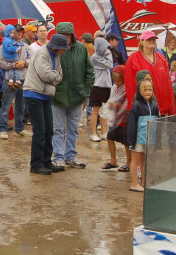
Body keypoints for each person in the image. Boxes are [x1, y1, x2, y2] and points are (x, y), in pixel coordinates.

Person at [52, 22, 94, 168]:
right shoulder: (53, 49)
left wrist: (85, 91)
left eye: (67, 34)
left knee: (73, 128)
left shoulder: (81, 48)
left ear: (72, 35)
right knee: (57, 128)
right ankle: (58, 156)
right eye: (62, 34)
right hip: (57, 95)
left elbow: (90, 71)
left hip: (77, 95)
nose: (65, 37)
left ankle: (70, 156)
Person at [23, 34, 67, 175]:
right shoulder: (41, 53)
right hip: (33, 94)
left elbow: (59, 75)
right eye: (63, 48)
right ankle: (36, 164)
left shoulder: (56, 56)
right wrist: (55, 77)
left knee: (49, 130)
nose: (64, 51)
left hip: (46, 95)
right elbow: (46, 75)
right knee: (40, 131)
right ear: (56, 47)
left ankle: (46, 161)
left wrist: (54, 76)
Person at [125, 30, 175, 116]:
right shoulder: (133, 59)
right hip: (144, 109)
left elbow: (168, 84)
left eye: (154, 39)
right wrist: (133, 106)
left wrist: (171, 108)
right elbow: (129, 85)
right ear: (142, 42)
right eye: (149, 39)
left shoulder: (162, 58)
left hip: (162, 107)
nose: (152, 41)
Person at [0, 25, 31, 138]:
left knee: (21, 105)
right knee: (6, 105)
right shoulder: (3, 46)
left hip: (23, 79)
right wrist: (14, 65)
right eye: (17, 31)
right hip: (9, 80)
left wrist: (24, 63)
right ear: (11, 32)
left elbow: (32, 59)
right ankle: (2, 129)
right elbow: (0, 62)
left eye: (21, 31)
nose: (19, 33)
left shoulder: (26, 46)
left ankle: (19, 129)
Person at [127, 78, 159, 192]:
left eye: (150, 89)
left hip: (150, 138)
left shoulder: (155, 106)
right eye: (145, 90)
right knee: (135, 160)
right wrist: (131, 140)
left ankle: (145, 182)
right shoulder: (136, 105)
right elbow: (131, 124)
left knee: (145, 161)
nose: (148, 92)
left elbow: (158, 123)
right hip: (138, 139)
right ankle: (134, 183)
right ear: (140, 91)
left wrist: (157, 140)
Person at [100, 65, 131, 172]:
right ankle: (113, 160)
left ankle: (129, 162)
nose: (117, 83)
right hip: (115, 118)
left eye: (119, 81)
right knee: (110, 137)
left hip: (125, 120)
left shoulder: (127, 88)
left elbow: (127, 106)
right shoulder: (115, 87)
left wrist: (115, 105)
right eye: (115, 81)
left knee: (126, 142)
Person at [90, 36, 113, 142]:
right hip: (97, 86)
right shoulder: (95, 57)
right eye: (104, 47)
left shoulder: (103, 55)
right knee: (95, 110)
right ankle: (93, 133)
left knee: (104, 111)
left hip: (106, 86)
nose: (106, 49)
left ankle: (104, 133)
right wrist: (108, 53)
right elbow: (109, 64)